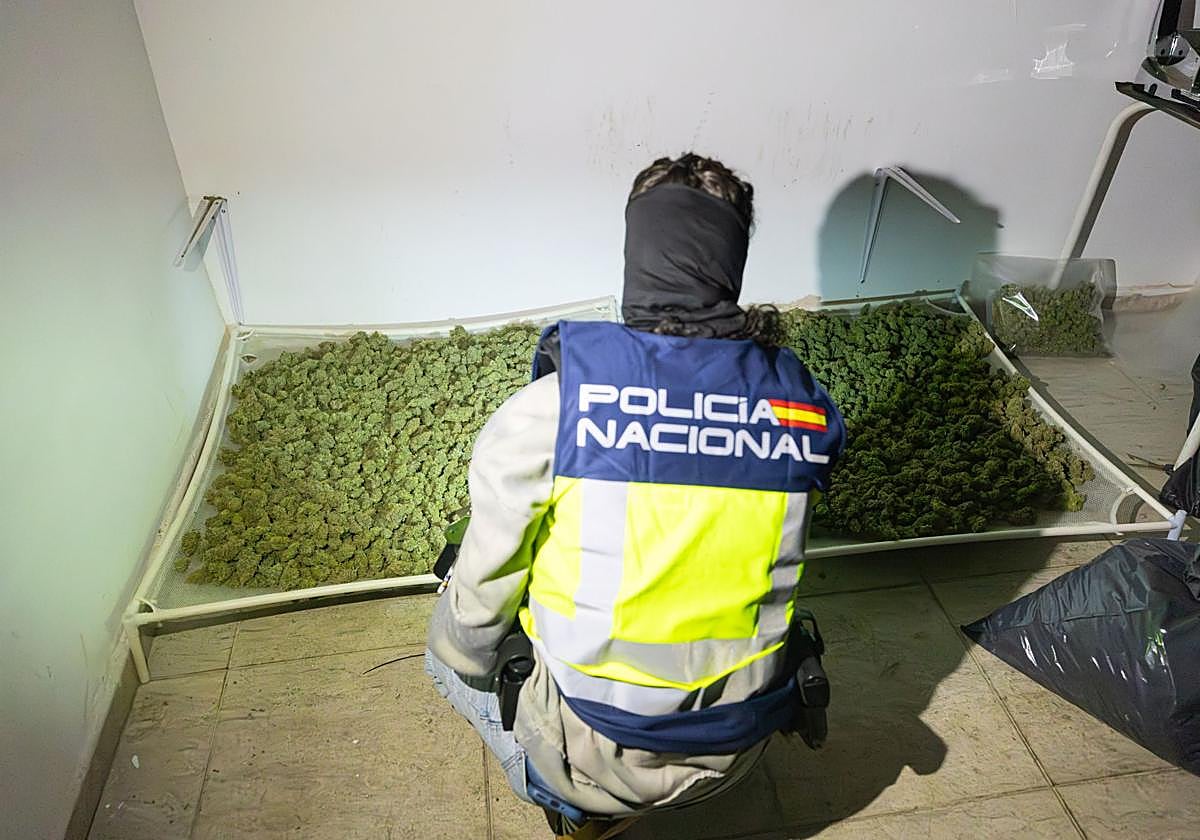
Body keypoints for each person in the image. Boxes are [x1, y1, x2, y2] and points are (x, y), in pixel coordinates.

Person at [425, 153, 846, 830]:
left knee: (450, 638)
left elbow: (476, 622)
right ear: (730, 262)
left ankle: (573, 805)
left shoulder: (553, 409)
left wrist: (470, 649)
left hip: (593, 755)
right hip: (738, 744)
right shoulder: (806, 414)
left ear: (638, 256)